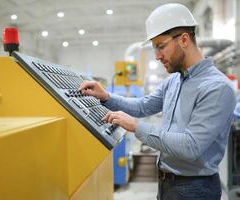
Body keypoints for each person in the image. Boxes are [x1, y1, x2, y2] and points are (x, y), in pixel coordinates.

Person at [79, 3, 236, 200]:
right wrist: (106, 97)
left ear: (184, 39)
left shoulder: (217, 88)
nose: (157, 56)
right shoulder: (174, 81)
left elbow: (191, 147)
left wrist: (136, 127)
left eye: (161, 46)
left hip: (195, 189)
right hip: (166, 183)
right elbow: (144, 105)